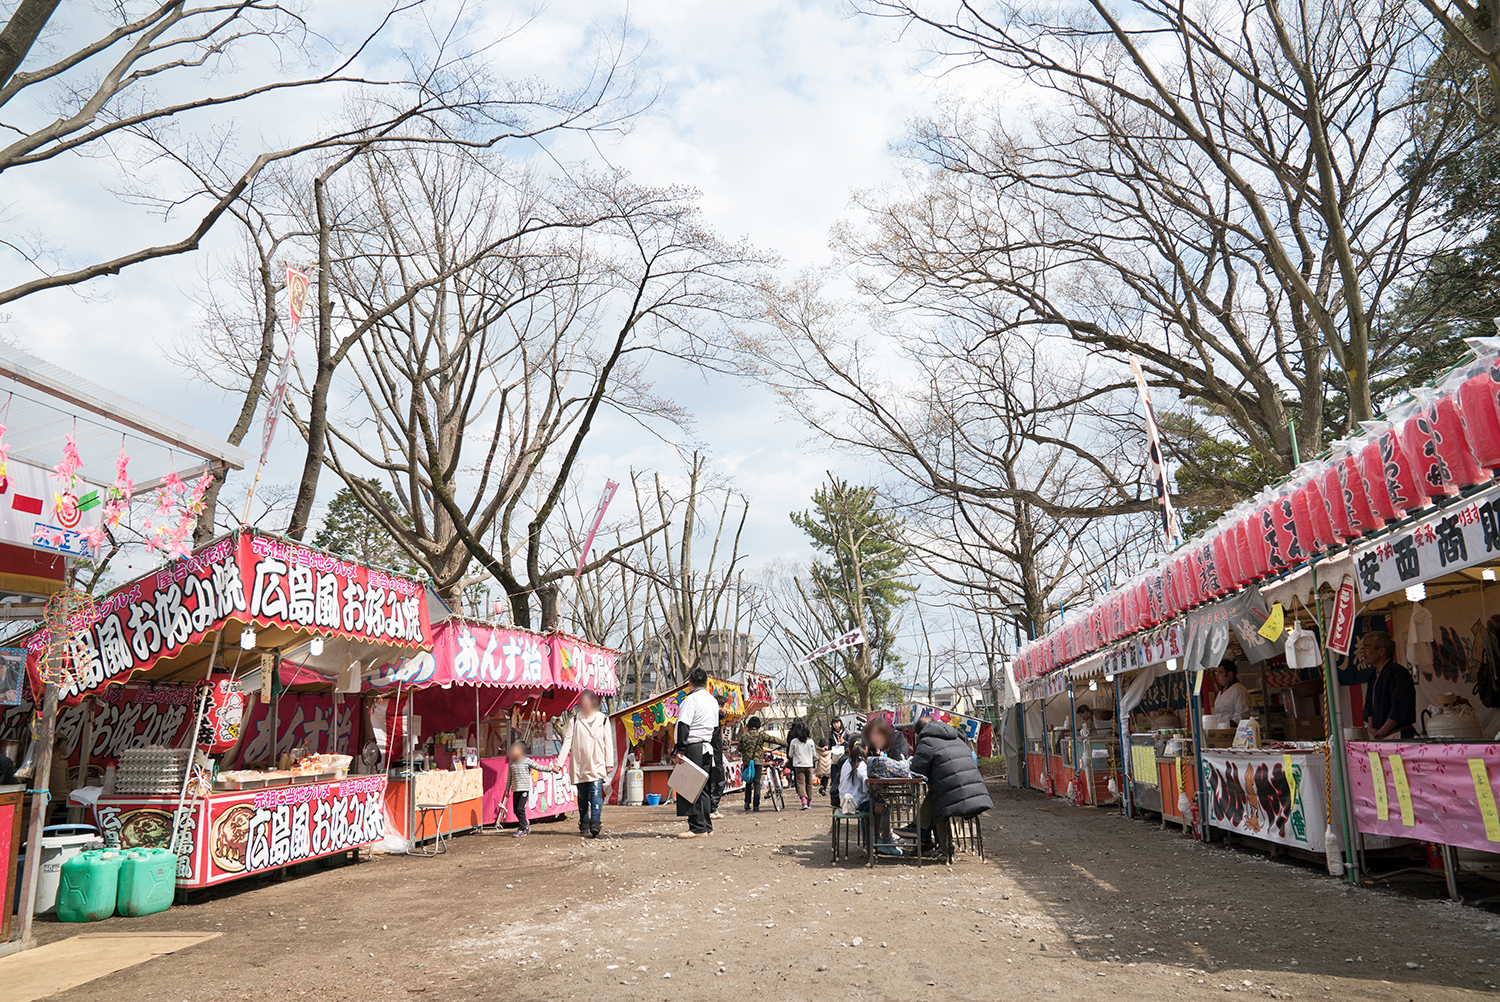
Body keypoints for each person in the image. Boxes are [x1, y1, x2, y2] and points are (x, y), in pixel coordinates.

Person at [910, 717, 993, 853]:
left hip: (956, 797)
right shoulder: (957, 738)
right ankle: (920, 829)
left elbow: (916, 768)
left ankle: (943, 848)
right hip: (977, 794)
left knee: (939, 806)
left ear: (919, 733)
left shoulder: (927, 741)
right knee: (937, 797)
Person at [554, 690, 616, 839]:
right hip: (580, 764)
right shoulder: (574, 720)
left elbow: (609, 742)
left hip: (597, 763)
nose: (585, 704)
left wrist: (609, 762)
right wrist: (558, 763)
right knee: (582, 795)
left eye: (588, 701)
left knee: (595, 793)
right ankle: (584, 821)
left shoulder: (603, 719)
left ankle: (595, 822)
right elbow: (567, 742)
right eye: (583, 701)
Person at [673, 668, 719, 838]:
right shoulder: (712, 700)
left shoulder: (691, 699)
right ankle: (707, 825)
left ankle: (697, 827)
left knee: (691, 788)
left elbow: (684, 724)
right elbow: (715, 729)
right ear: (706, 683)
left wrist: (680, 749)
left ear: (689, 683)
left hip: (693, 746)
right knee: (704, 788)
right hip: (707, 746)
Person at [861, 716, 905, 856]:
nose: (877, 737)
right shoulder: (864, 749)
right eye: (874, 734)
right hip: (861, 796)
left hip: (872, 792)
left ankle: (879, 840)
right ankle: (876, 842)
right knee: (881, 808)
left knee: (880, 804)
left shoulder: (886, 748)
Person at [1361, 631, 1417, 739]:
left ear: (1381, 651)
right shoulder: (1373, 676)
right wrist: (1371, 727)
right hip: (1380, 735)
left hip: (1397, 734)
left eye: (1366, 648)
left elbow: (1400, 706)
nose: (1363, 652)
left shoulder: (1398, 673)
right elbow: (1369, 705)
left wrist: (1383, 730)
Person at [736, 715, 784, 812]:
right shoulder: (760, 735)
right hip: (758, 762)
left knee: (748, 782)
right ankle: (756, 806)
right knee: (757, 782)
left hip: (747, 762)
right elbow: (773, 739)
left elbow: (739, 748)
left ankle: (747, 803)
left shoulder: (744, 736)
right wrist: (785, 743)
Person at [504, 740, 543, 838]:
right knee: (515, 810)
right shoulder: (511, 763)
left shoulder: (527, 761)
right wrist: (507, 789)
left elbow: (538, 767)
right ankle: (525, 823)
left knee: (520, 809)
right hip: (515, 789)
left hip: (524, 789)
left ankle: (522, 829)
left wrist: (551, 769)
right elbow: (509, 777)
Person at [787, 719, 817, 809]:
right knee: (809, 783)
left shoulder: (794, 741)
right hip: (809, 765)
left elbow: (790, 754)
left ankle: (803, 800)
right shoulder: (810, 741)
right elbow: (814, 754)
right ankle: (810, 801)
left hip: (799, 765)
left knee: (800, 783)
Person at [709, 692, 729, 819]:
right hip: (713, 755)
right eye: (726, 706)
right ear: (720, 706)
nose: (727, 709)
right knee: (718, 782)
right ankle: (712, 808)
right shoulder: (714, 719)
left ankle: (711, 808)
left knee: (715, 782)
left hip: (715, 754)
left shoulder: (717, 719)